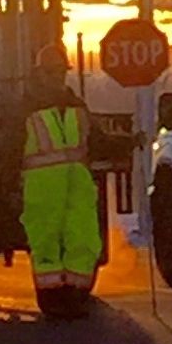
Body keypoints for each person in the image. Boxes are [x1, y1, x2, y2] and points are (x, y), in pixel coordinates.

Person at [20, 43, 102, 319]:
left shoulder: (76, 106)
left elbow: (97, 139)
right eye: (50, 71)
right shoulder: (26, 108)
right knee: (46, 243)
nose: (56, 76)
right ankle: (52, 300)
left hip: (77, 189)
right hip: (43, 191)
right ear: (40, 74)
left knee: (84, 239)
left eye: (60, 71)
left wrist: (129, 142)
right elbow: (11, 146)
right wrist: (9, 183)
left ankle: (75, 297)